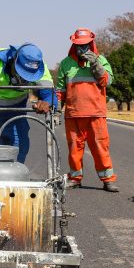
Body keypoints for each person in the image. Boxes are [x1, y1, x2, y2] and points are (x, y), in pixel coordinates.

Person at [56, 27, 119, 192]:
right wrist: (56, 110)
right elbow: (60, 90)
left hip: (95, 114)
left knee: (100, 147)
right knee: (75, 149)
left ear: (91, 44)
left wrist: (96, 65)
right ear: (73, 45)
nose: (82, 48)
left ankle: (108, 180)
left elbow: (107, 82)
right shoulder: (66, 63)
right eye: (78, 45)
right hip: (73, 114)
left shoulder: (101, 60)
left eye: (85, 45)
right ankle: (75, 178)